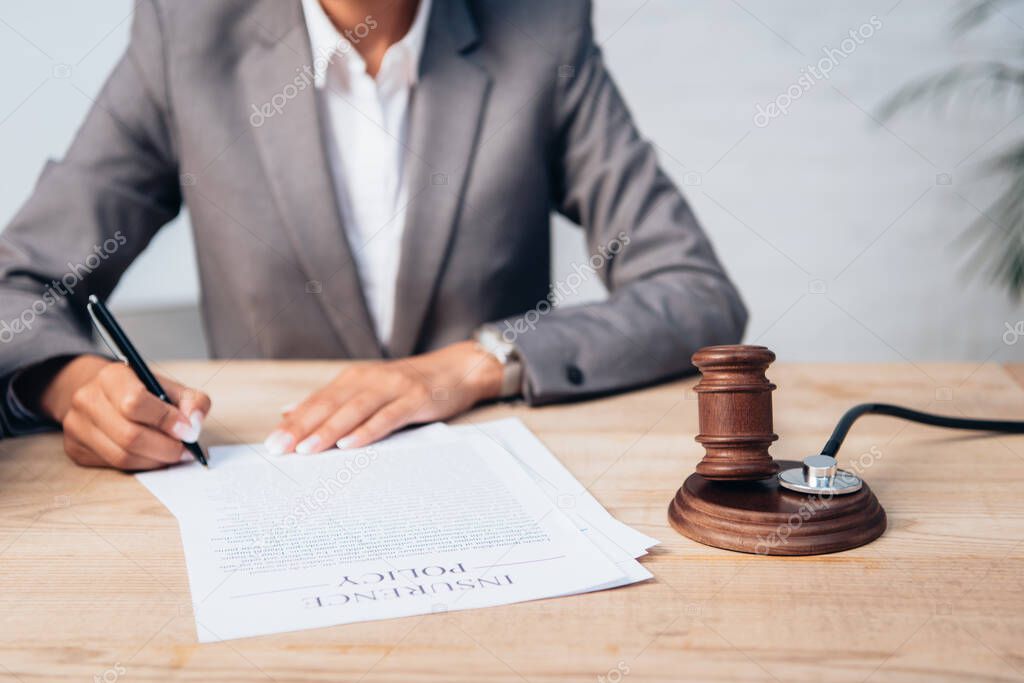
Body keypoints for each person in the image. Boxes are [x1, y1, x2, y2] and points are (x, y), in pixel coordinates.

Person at [0, 0, 747, 470]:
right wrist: (74, 385)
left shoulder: (541, 27)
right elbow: (19, 284)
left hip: (493, 502)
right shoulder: (186, 33)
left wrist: (477, 362)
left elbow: (694, 292)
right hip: (264, 485)